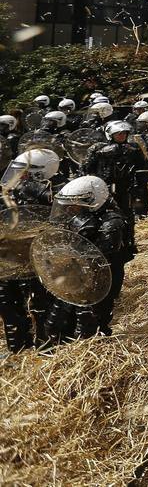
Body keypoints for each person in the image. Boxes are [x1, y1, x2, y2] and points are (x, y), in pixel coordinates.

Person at [42, 176, 129, 343]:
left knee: (90, 326)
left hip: (99, 281)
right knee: (56, 324)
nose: (71, 209)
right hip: (75, 276)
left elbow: (100, 254)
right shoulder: (82, 215)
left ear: (93, 200)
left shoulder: (112, 222)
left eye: (76, 204)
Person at [0, 149, 62, 352]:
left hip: (37, 257)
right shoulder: (6, 190)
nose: (19, 176)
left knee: (41, 305)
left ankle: (46, 347)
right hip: (7, 256)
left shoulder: (58, 192)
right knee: (8, 305)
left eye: (24, 172)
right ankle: (17, 349)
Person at [84, 119, 146, 253]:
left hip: (125, 187)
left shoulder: (132, 148)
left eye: (124, 133)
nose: (122, 136)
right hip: (103, 187)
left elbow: (142, 166)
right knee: (105, 215)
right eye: (118, 133)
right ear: (110, 134)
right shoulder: (97, 149)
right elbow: (87, 168)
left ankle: (129, 243)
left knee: (128, 215)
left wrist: (138, 187)